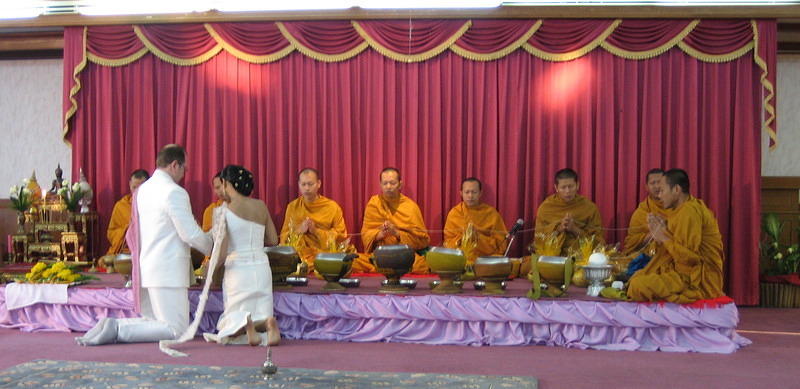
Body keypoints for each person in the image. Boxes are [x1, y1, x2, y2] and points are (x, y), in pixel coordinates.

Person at [75, 144, 213, 346]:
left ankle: (112, 325)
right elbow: (189, 233)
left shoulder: (142, 191)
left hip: (147, 266)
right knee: (176, 329)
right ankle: (117, 328)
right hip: (168, 270)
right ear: (175, 165)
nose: (185, 174)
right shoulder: (174, 192)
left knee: (155, 322)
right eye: (185, 168)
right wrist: (214, 247)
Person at [203, 165, 280, 346]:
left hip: (237, 269)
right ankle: (267, 324)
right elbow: (273, 239)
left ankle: (246, 327)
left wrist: (209, 271)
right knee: (261, 311)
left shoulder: (223, 211)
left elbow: (220, 253)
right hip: (261, 266)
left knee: (229, 324)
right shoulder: (261, 206)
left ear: (227, 183)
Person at [626, 169, 724, 303]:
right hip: (682, 271)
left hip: (697, 280)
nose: (659, 196)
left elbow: (690, 260)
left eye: (662, 191)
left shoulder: (689, 211)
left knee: (638, 286)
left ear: (676, 189)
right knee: (637, 277)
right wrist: (660, 230)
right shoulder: (680, 210)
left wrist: (663, 237)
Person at [354, 167, 430, 274]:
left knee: (421, 265)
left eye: (392, 183)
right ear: (380, 185)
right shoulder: (374, 203)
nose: (388, 187)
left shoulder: (410, 207)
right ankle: (387, 267)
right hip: (380, 255)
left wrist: (397, 233)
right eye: (385, 183)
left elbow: (422, 240)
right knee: (353, 261)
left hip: (403, 255)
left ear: (400, 184)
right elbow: (365, 234)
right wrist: (379, 234)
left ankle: (384, 268)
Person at [279, 168, 349, 273]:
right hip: (301, 253)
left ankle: (307, 266)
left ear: (319, 183)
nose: (307, 188)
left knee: (352, 260)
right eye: (303, 184)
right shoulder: (292, 207)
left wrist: (316, 231)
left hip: (324, 252)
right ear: (298, 184)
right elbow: (283, 238)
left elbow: (341, 236)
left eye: (310, 184)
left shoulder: (332, 207)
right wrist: (299, 230)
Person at [533, 168, 604, 256]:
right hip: (552, 258)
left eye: (571, 186)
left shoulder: (589, 207)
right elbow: (538, 239)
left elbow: (598, 242)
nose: (567, 191)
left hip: (581, 257)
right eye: (563, 187)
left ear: (577, 185)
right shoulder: (546, 208)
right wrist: (559, 229)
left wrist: (574, 229)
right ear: (556, 188)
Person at [442, 177, 507, 264]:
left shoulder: (491, 213)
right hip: (460, 259)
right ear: (461, 193)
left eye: (474, 192)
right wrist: (463, 238)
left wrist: (478, 238)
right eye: (467, 192)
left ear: (480, 193)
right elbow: (447, 241)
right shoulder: (455, 213)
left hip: (484, 259)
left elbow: (501, 244)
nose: (470, 196)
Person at [621, 169, 669, 257]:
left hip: (673, 253)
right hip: (649, 257)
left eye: (659, 182)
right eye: (653, 183)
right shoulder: (641, 213)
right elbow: (631, 244)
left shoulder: (677, 206)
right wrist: (653, 235)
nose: (657, 186)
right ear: (646, 187)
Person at [105, 169, 150, 256]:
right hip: (125, 251)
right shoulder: (121, 206)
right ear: (129, 185)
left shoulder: (154, 205)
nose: (137, 192)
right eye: (134, 187)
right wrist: (128, 229)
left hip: (147, 251)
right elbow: (111, 233)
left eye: (141, 188)